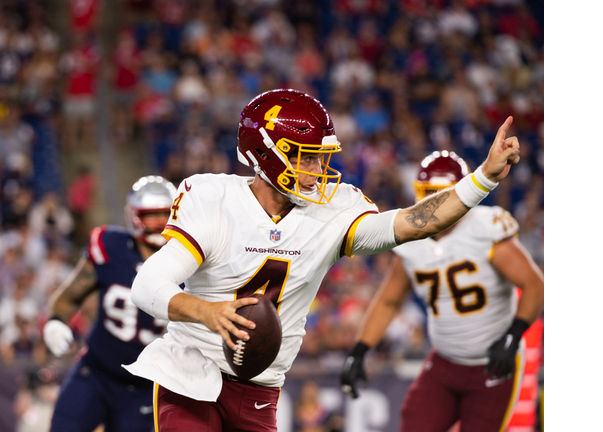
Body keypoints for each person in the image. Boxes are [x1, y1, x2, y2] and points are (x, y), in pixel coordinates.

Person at [123, 88, 520, 431]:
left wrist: (484, 176)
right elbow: (147, 286)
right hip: (189, 373)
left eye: (318, 157)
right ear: (265, 152)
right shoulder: (213, 199)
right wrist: (209, 313)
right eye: (305, 157)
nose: (317, 170)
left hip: (262, 386)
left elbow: (414, 224)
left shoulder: (334, 210)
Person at [339, 150, 544, 432]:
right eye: (428, 194)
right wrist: (360, 350)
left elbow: (534, 284)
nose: (435, 205)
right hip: (445, 361)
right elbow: (388, 301)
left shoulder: (485, 228)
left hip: (492, 366)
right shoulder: (410, 238)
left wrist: (514, 333)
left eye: (443, 195)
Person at [42, 175, 178, 432]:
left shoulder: (190, 266)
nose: (161, 222)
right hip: (95, 372)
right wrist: (56, 321)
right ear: (134, 216)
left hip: (145, 388)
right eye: (152, 214)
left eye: (167, 214)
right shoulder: (110, 246)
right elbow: (69, 296)